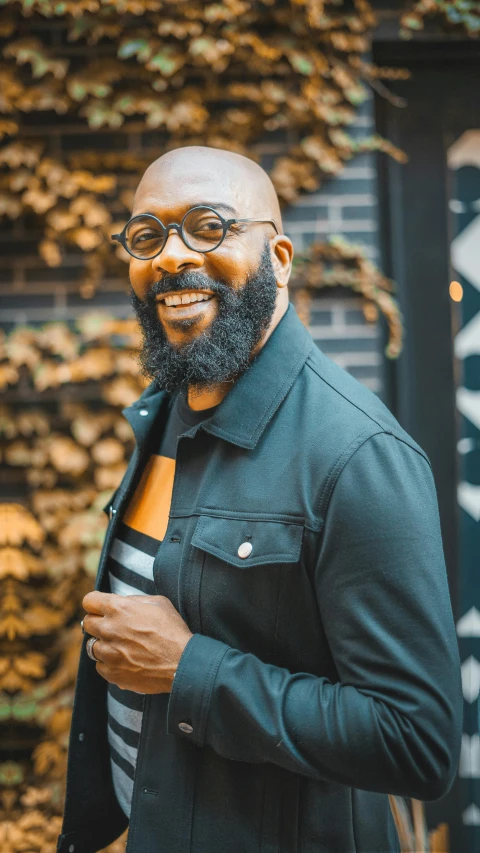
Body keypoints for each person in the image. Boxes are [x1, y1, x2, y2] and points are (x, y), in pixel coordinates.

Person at [57, 146, 462, 853]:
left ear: (279, 255)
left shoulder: (358, 455)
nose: (171, 257)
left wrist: (189, 669)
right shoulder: (164, 413)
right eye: (147, 236)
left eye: (208, 225)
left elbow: (415, 741)